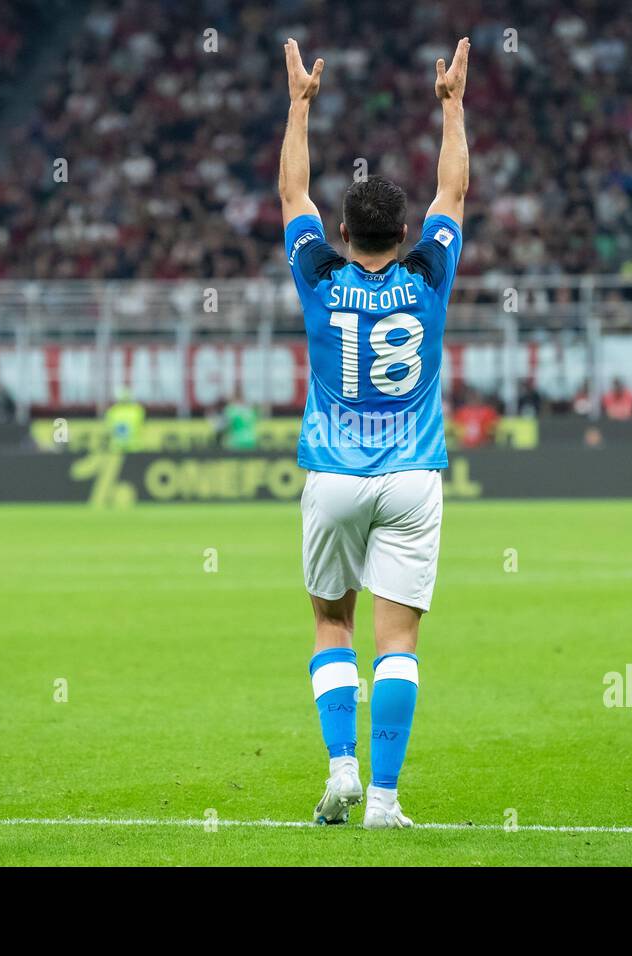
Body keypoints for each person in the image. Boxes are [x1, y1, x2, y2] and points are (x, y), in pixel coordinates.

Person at [280, 36, 469, 828]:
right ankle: (385, 801)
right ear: (403, 233)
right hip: (413, 474)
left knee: (332, 622)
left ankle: (342, 771)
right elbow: (453, 193)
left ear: (345, 233)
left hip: (332, 473)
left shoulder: (318, 276)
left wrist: (300, 105)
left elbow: (292, 189)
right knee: (400, 638)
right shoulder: (429, 276)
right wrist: (452, 108)